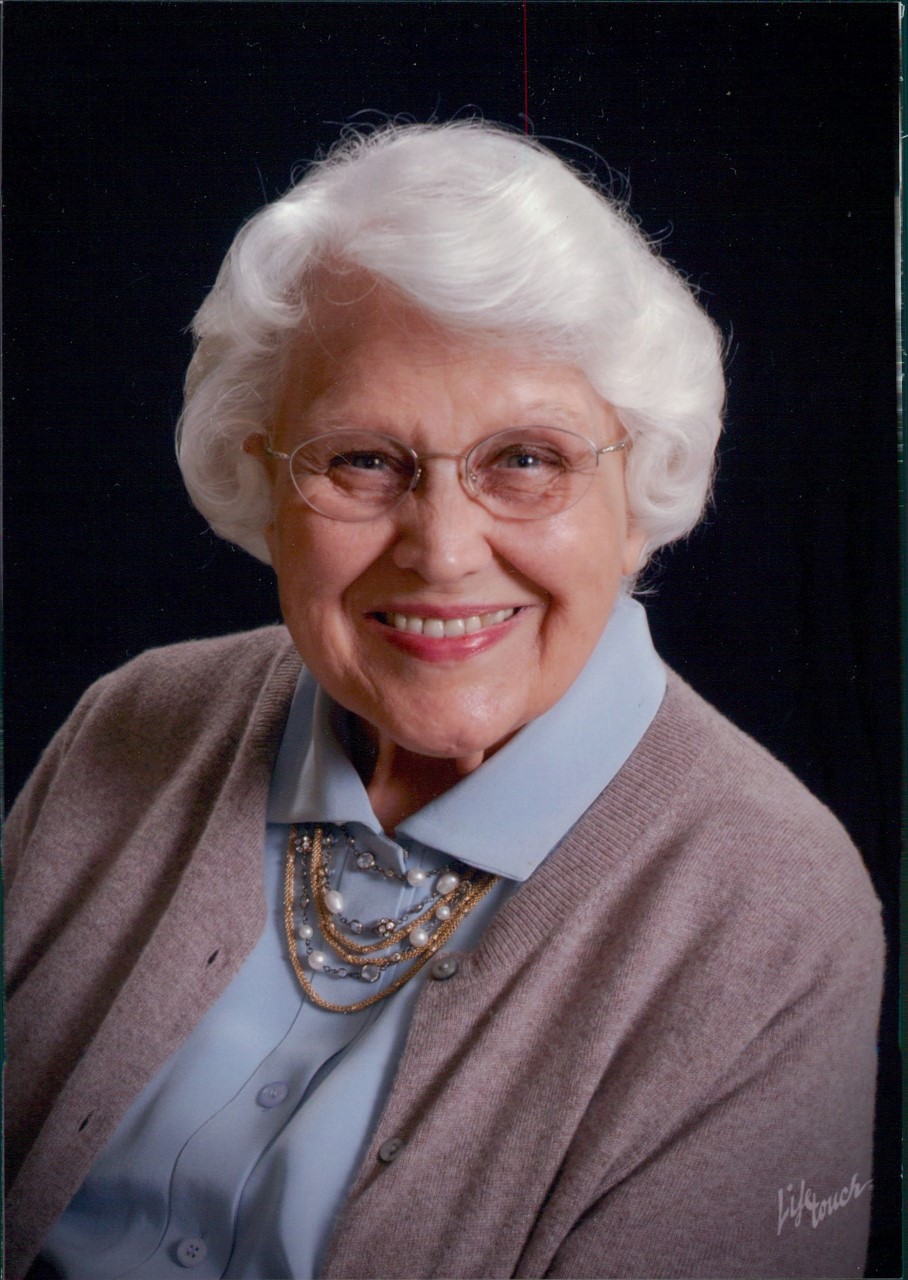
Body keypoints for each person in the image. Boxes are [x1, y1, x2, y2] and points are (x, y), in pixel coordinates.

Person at [5, 121, 884, 1280]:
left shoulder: (765, 906)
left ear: (639, 489)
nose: (444, 550)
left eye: (526, 459)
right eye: (363, 459)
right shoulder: (134, 721)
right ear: (261, 474)